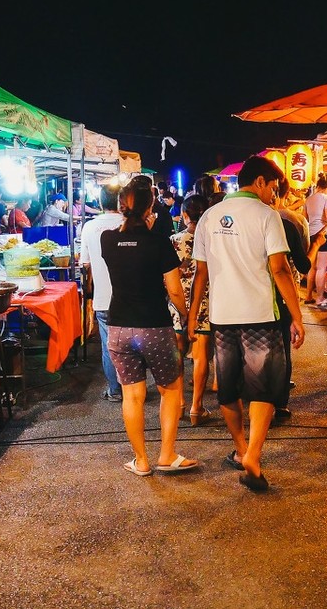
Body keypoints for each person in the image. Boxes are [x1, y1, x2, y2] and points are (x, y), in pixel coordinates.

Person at [189, 156, 305, 493]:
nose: (275, 194)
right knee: (263, 387)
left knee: (228, 388)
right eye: (274, 187)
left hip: (222, 318)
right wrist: (297, 316)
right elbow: (280, 269)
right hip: (261, 317)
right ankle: (253, 454)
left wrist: (194, 317)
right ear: (260, 182)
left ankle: (241, 449)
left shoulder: (208, 217)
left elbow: (201, 274)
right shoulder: (267, 216)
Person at [101, 183, 197, 476]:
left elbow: (125, 249)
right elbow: (174, 290)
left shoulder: (107, 240)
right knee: (170, 390)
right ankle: (166, 455)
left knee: (132, 396)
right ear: (150, 208)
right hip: (155, 326)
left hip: (118, 326)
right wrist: (187, 317)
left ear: (121, 208)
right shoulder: (158, 243)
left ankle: (141, 461)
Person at [169, 195, 215, 427]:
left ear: (185, 215)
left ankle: (178, 404)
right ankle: (197, 407)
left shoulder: (174, 240)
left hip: (178, 304)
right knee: (200, 357)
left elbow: (167, 276)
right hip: (205, 302)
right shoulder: (212, 240)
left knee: (176, 355)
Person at [270, 177, 313, 423]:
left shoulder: (241, 224)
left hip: (250, 299)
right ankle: (280, 403)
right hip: (281, 297)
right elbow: (302, 264)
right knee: (281, 348)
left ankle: (257, 399)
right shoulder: (287, 224)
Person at [78, 186, 125, 403]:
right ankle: (134, 388)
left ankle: (115, 391)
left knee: (109, 346)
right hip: (130, 297)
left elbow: (85, 264)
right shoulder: (128, 223)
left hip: (103, 298)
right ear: (121, 201)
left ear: (100, 203)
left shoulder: (89, 227)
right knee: (132, 344)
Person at [305, 174, 327, 306]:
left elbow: (305, 218)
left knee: (312, 267)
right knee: (321, 268)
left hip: (311, 235)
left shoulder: (309, 199)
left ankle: (308, 296)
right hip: (324, 234)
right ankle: (319, 298)